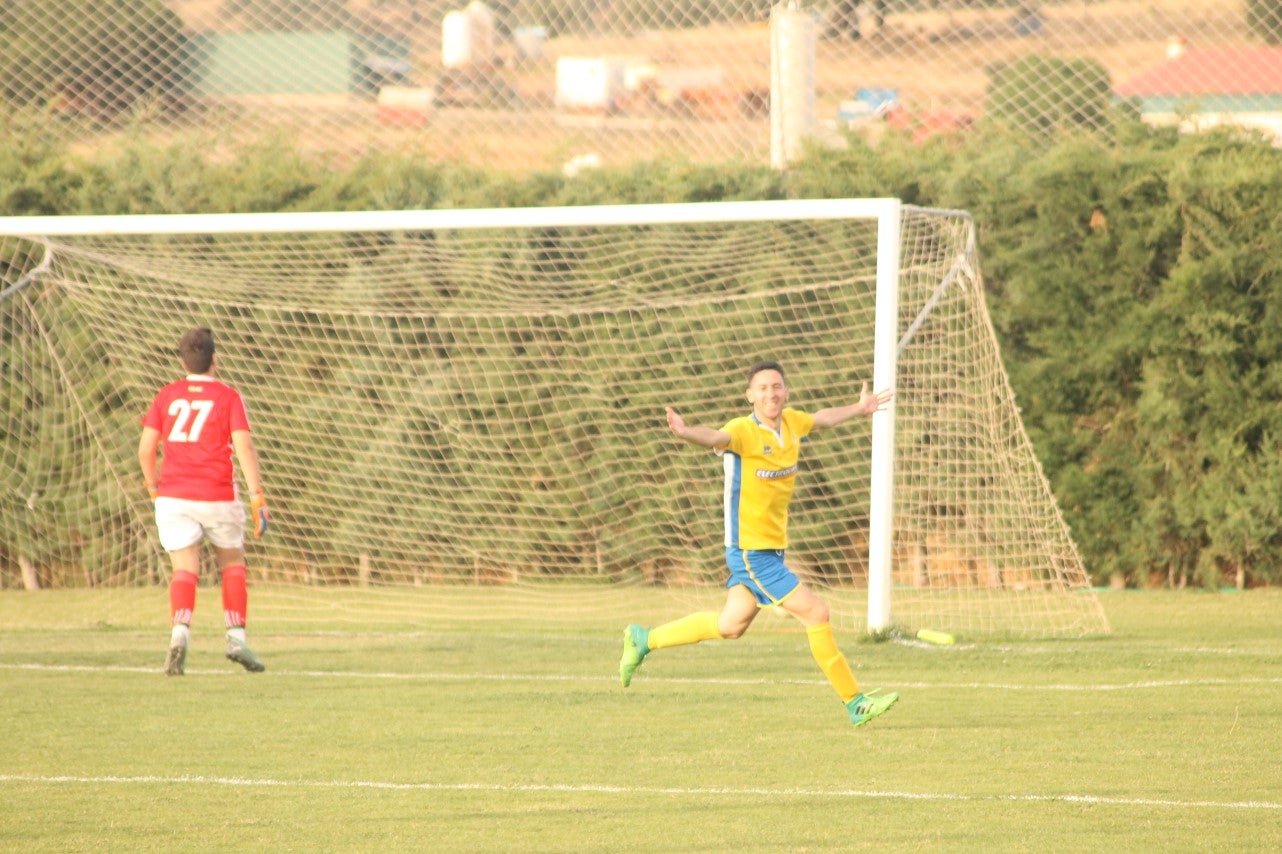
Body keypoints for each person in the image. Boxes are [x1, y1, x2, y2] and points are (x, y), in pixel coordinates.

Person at [619, 360, 899, 726]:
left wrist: (860, 409)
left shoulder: (793, 423)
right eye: (763, 388)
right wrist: (685, 432)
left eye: (777, 386)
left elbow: (823, 418)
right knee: (817, 613)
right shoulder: (743, 431)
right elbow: (715, 437)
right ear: (749, 395)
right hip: (750, 551)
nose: (771, 393)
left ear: (786, 391)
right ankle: (855, 702)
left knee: (730, 625)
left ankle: (644, 639)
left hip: (772, 548)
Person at [138, 327, 269, 676]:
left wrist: (154, 488)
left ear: (183, 361)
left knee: (185, 569)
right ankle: (236, 637)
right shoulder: (228, 397)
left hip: (173, 496)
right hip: (217, 494)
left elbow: (146, 450)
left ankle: (179, 636)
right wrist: (258, 498)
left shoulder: (166, 395)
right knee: (232, 563)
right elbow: (244, 448)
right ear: (215, 359)